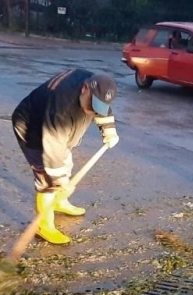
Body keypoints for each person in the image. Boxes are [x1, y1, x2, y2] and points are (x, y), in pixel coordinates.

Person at [11, 69, 119, 245]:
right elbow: (53, 146)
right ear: (84, 88)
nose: (93, 111)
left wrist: (109, 131)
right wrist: (59, 179)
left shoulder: (96, 88)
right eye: (92, 105)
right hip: (33, 128)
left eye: (97, 107)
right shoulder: (62, 103)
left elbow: (103, 109)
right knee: (48, 181)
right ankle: (43, 225)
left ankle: (59, 201)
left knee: (65, 164)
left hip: (59, 134)